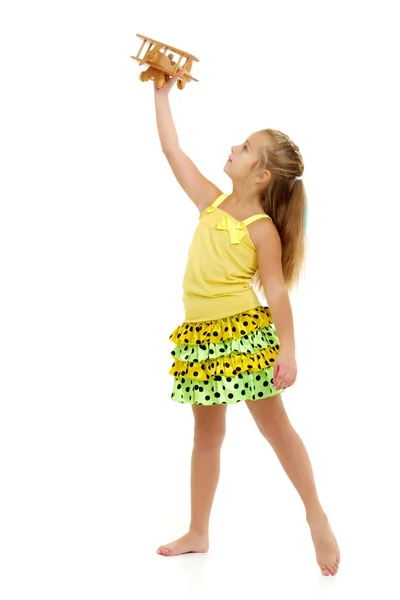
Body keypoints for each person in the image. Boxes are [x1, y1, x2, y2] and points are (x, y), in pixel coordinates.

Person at [152, 74, 340, 576]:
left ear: (261, 176)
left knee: (275, 429)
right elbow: (173, 151)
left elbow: (276, 292)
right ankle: (198, 530)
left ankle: (315, 514)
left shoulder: (260, 230)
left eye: (245, 147)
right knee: (206, 436)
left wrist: (288, 352)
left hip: (241, 336)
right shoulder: (210, 202)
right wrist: (161, 94)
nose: (233, 148)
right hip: (200, 339)